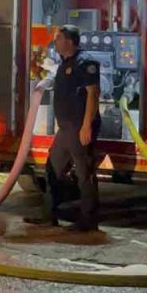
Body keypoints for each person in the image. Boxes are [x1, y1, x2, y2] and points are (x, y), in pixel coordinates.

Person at [36, 25, 102, 232]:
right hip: (65, 129)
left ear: (69, 41)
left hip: (78, 127)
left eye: (58, 39)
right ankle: (50, 215)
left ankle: (88, 220)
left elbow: (93, 94)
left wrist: (86, 126)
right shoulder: (65, 63)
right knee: (53, 168)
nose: (55, 43)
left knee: (84, 173)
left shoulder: (86, 62)